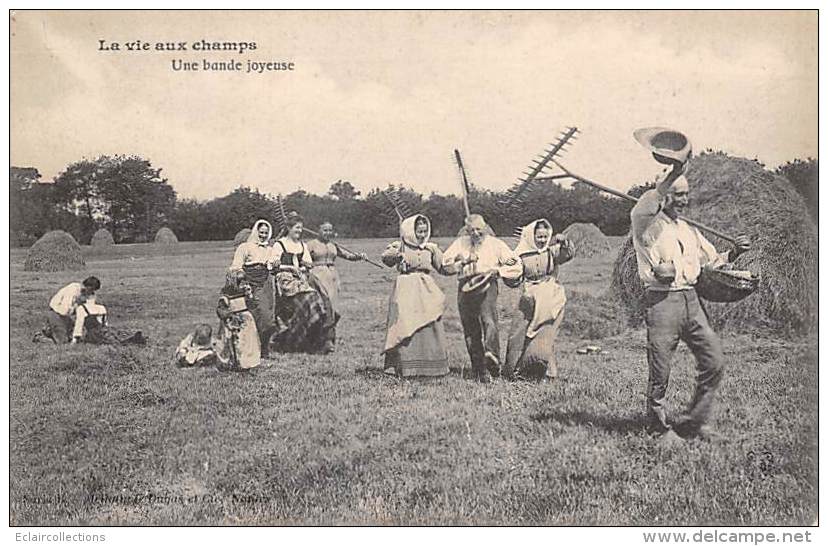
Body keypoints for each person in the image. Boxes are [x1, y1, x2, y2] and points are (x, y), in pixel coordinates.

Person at [631, 161, 751, 441]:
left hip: (691, 300)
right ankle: (658, 428)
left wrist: (733, 253)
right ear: (664, 194)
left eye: (686, 194)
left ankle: (695, 422)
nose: (685, 200)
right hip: (662, 302)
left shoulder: (688, 229)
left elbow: (711, 261)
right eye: (678, 194)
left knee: (714, 361)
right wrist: (672, 173)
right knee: (660, 369)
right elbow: (645, 204)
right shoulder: (645, 224)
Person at [442, 214, 522, 383]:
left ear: (485, 228)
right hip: (465, 286)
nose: (476, 234)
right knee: (471, 329)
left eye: (479, 230)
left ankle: (492, 361)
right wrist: (461, 262)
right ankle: (479, 370)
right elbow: (445, 263)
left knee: (489, 321)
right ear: (466, 230)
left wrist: (498, 271)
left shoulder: (495, 244)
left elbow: (516, 264)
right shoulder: (460, 243)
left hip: (487, 284)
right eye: (472, 230)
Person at [504, 219, 575, 382]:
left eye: (545, 236)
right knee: (518, 332)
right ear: (531, 236)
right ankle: (511, 370)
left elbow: (568, 255)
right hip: (529, 294)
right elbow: (514, 277)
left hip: (549, 294)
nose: (542, 240)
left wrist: (565, 242)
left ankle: (546, 372)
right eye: (539, 237)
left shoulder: (552, 251)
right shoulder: (521, 254)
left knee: (544, 334)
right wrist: (508, 275)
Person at [381, 214, 449, 378]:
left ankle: (432, 368)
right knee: (406, 325)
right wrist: (396, 256)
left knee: (430, 324)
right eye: (419, 232)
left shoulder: (430, 248)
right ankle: (406, 367)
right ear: (410, 231)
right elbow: (386, 259)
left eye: (425, 231)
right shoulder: (400, 246)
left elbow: (445, 267)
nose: (422, 235)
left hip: (427, 289)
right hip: (406, 289)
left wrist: (462, 262)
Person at [270, 213, 338, 354]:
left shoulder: (302, 245)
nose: (299, 231)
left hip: (302, 279)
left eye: (301, 228)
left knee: (320, 301)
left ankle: (317, 340)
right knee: (309, 300)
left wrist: (304, 266)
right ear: (289, 228)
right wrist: (289, 267)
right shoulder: (280, 244)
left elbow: (308, 263)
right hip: (286, 280)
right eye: (296, 228)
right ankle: (293, 340)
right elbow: (272, 266)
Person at [306, 221, 366, 343]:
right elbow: (302, 258)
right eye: (325, 230)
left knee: (334, 310)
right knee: (323, 308)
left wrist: (359, 256)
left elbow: (347, 255)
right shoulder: (311, 244)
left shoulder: (333, 244)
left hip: (333, 278)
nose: (328, 233)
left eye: (330, 230)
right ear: (318, 230)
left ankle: (328, 335)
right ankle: (325, 339)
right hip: (317, 277)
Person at [230, 219, 277, 358]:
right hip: (250, 283)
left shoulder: (270, 249)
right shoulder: (245, 247)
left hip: (266, 283)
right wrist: (243, 282)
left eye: (266, 233)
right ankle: (252, 348)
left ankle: (264, 347)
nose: (263, 235)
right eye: (261, 232)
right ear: (255, 232)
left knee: (268, 317)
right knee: (255, 317)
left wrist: (275, 265)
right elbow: (236, 266)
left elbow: (273, 266)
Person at [215, 270, 260, 370]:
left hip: (245, 320)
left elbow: (253, 305)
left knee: (247, 342)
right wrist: (227, 316)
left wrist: (250, 296)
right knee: (231, 342)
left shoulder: (246, 293)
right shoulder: (226, 297)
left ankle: (246, 362)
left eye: (245, 282)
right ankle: (231, 362)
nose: (243, 285)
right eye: (240, 282)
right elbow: (220, 310)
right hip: (231, 321)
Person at [38, 276, 101, 344]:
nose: (91, 292)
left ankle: (51, 331)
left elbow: (89, 310)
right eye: (91, 289)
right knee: (62, 341)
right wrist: (77, 304)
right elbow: (64, 310)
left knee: (79, 337)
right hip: (57, 313)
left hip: (68, 316)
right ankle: (40, 337)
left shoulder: (88, 295)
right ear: (88, 287)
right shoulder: (73, 289)